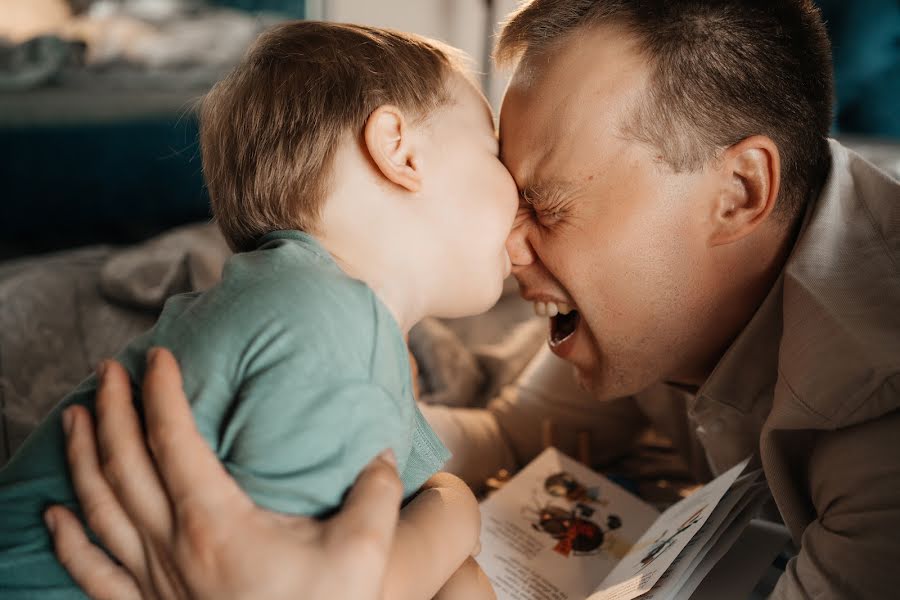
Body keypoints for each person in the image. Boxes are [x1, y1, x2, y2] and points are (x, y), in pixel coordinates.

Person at [42, 0, 900, 598]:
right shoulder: (645, 312)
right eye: (505, 191)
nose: (507, 243)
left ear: (740, 193)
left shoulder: (877, 426)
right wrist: (290, 424)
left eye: (549, 205)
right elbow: (513, 436)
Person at [0, 21, 514, 599]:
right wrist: (453, 519)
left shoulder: (310, 312)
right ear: (400, 151)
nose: (519, 190)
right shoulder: (328, 320)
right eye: (494, 152)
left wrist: (451, 511)